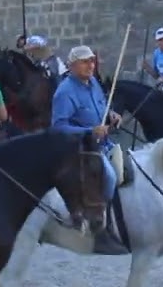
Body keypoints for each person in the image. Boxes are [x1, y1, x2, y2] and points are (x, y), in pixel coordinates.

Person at [51, 45, 126, 255]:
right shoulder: (64, 92)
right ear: (72, 65)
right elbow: (58, 127)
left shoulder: (93, 82)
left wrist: (111, 114)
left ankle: (118, 221)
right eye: (85, 61)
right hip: (81, 149)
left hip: (102, 144)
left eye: (92, 61)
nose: (90, 65)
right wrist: (89, 131)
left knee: (131, 169)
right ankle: (100, 232)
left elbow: (100, 106)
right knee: (109, 178)